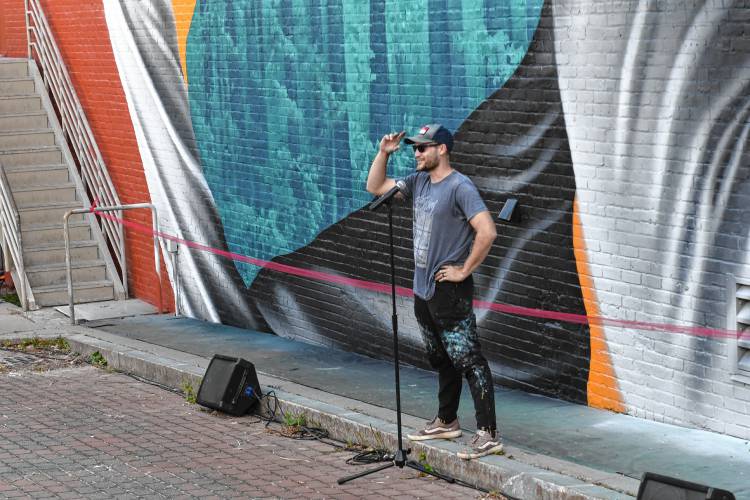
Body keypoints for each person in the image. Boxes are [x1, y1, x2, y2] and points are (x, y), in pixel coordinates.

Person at [366, 124, 502, 460]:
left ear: (442, 149)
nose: (416, 154)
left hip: (449, 289)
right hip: (423, 288)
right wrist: (383, 152)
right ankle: (447, 420)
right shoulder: (418, 183)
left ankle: (488, 433)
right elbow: (375, 187)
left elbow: (487, 231)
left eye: (423, 148)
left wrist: (464, 270)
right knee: (441, 358)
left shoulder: (460, 187)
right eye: (414, 148)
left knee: (468, 359)